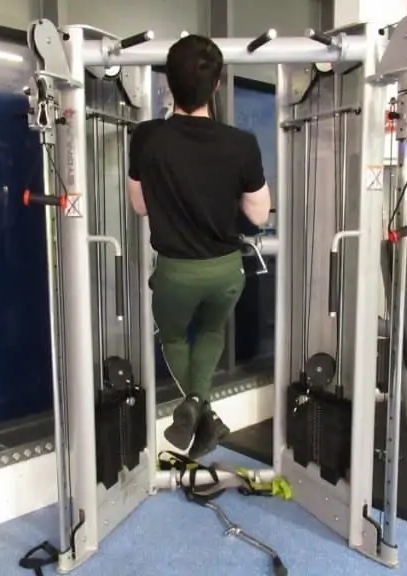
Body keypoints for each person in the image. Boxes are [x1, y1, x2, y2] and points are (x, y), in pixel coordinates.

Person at [126, 35, 271, 459]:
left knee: (173, 335)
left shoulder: (148, 137)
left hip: (176, 272)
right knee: (210, 331)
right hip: (225, 271)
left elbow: (139, 206)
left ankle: (196, 408)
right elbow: (260, 215)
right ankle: (200, 411)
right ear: (217, 85)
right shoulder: (241, 144)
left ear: (169, 85)